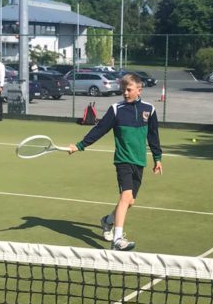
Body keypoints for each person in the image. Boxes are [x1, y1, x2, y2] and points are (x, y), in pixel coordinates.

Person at [67, 73, 162, 251]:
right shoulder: (116, 109)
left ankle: (108, 221)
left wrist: (157, 158)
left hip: (139, 161)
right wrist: (80, 146)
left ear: (139, 90)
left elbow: (153, 135)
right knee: (125, 197)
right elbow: (99, 130)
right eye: (123, 89)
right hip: (123, 160)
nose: (125, 93)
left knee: (130, 201)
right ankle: (117, 240)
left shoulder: (149, 109)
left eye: (129, 89)